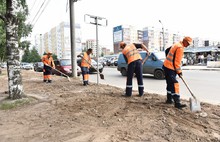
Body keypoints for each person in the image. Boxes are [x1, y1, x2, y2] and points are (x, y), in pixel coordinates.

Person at [163, 36, 193, 109]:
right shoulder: (180, 48)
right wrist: (179, 71)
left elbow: (167, 50)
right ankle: (177, 103)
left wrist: (168, 60)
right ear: (185, 41)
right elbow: (177, 62)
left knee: (170, 83)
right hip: (170, 68)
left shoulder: (177, 44)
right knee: (174, 84)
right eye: (188, 44)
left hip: (166, 66)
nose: (188, 45)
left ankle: (169, 99)